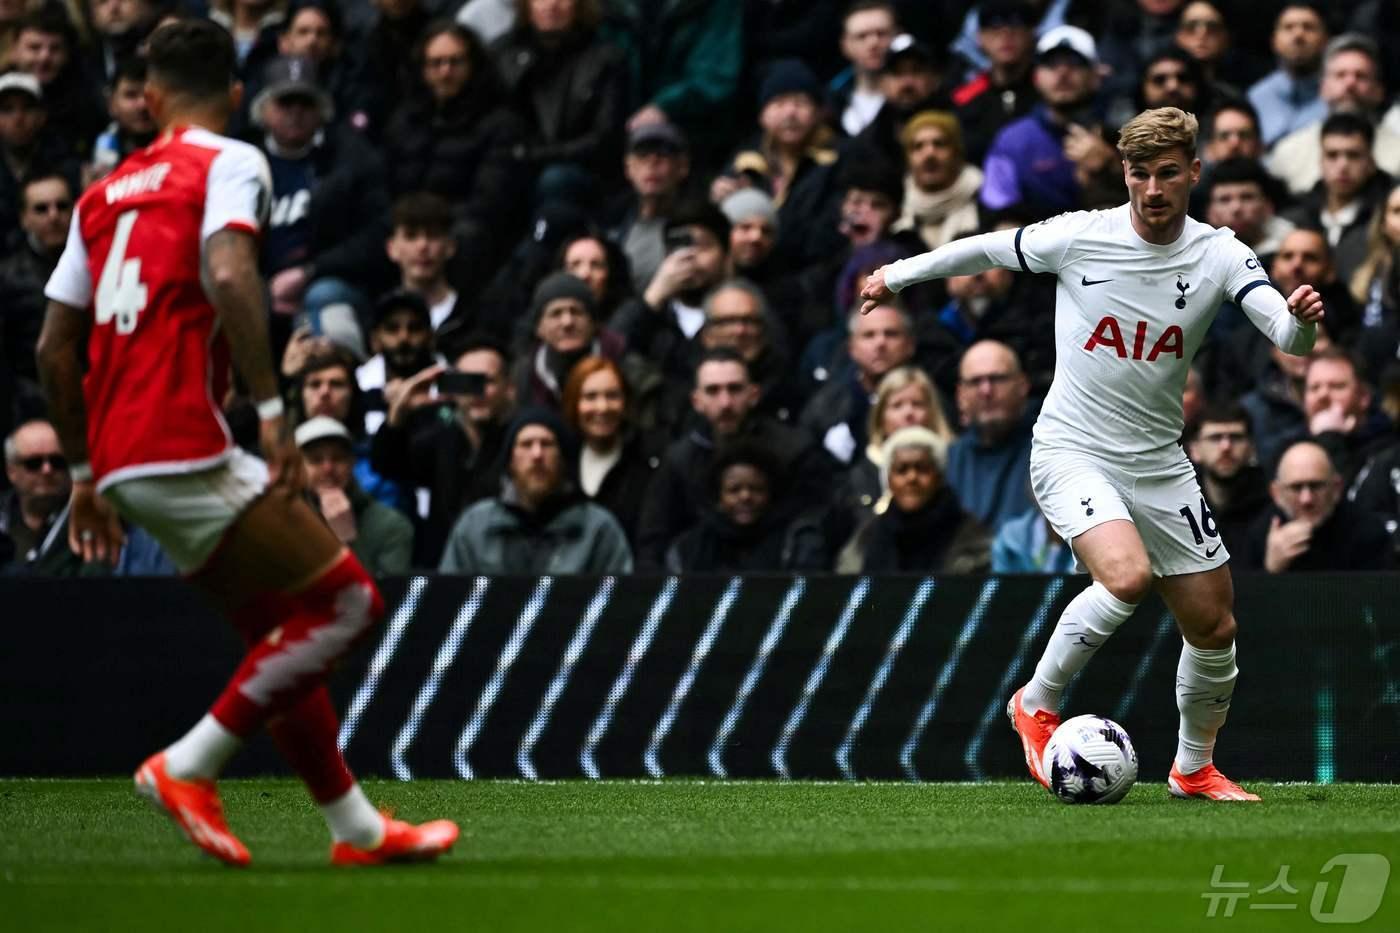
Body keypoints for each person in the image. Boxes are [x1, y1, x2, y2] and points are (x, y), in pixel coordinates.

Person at [36, 20, 456, 866]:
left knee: (281, 628)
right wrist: (272, 411)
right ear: (233, 95)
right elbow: (231, 273)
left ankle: (357, 830)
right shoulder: (229, 159)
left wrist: (82, 474)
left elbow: (53, 348)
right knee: (349, 605)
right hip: (184, 438)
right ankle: (186, 764)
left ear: (147, 101)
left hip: (120, 453)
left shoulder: (100, 192)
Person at [861, 106, 1326, 801]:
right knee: (1127, 577)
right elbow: (987, 247)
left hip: (1158, 459)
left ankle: (1192, 767)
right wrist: (897, 274)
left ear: (1194, 172)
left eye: (1168, 173)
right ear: (1125, 175)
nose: (1154, 189)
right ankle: (1036, 703)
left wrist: (1302, 323)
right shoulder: (1081, 236)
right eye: (1140, 174)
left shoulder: (1222, 252)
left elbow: (1285, 337)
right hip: (1071, 448)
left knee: (1213, 622)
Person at [438, 407, 633, 573]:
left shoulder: (597, 529)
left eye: (547, 444)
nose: (537, 454)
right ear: (510, 460)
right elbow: (449, 604)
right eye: (526, 444)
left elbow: (620, 607)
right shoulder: (475, 527)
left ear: (563, 458)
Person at [836, 425, 991, 574]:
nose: (912, 478)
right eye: (902, 470)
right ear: (889, 480)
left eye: (922, 468)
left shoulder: (971, 537)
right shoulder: (866, 539)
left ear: (939, 476)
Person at [665, 440, 827, 573]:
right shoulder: (688, 548)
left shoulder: (796, 541)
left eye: (756, 489)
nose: (745, 497)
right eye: (734, 490)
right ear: (719, 496)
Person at [1234, 439, 1392, 572]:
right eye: (1296, 488)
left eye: (1315, 486)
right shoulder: (1259, 532)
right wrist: (1270, 569)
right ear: (1276, 493)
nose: (1306, 499)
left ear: (1337, 487)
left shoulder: (1367, 531)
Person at [560, 355, 661, 547]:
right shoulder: (560, 463)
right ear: (574, 404)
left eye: (612, 396)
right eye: (590, 397)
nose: (602, 407)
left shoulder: (646, 464)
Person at [296, 415, 412, 575]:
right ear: (298, 468)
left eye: (337, 458)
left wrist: (347, 542)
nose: (328, 468)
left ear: (352, 462)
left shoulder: (392, 527)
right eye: (316, 460)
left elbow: (388, 597)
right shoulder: (282, 523)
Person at [945, 339, 1036, 533]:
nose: (986, 391)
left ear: (1022, 385)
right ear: (960, 395)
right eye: (975, 381)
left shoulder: (1050, 451)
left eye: (997, 379)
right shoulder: (948, 461)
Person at [891, 110, 983, 253]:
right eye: (918, 146)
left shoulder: (986, 203)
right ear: (907, 160)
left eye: (939, 144)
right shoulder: (896, 220)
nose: (929, 154)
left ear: (957, 154)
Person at [1185, 401, 1271, 552]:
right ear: (1195, 450)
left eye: (1236, 438)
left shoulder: (1269, 502)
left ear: (1252, 448)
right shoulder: (1179, 504)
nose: (1226, 447)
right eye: (1215, 438)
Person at [1247, 2, 1329, 147]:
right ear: (1274, 42)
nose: (1298, 35)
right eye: (1288, 27)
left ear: (1325, 41)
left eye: (1308, 27)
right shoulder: (1256, 98)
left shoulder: (1338, 95)